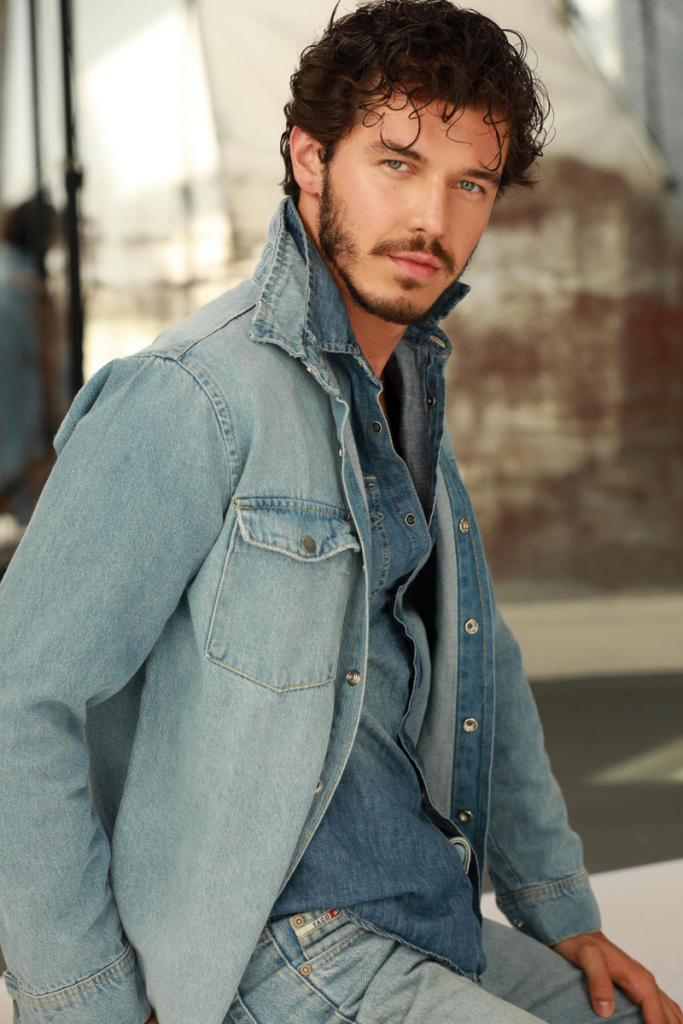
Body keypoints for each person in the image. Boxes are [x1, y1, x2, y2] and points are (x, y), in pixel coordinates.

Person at [0, 3, 679, 1024]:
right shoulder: (192, 397)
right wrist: (83, 1006)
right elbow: (18, 697)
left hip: (426, 913)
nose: (432, 220)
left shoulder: (404, 391)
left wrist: (559, 909)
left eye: (470, 183)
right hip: (274, 953)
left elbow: (481, 665)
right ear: (309, 159)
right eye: (396, 164)